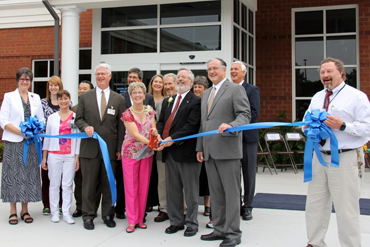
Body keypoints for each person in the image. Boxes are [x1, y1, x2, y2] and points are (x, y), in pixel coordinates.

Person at [304, 57, 370, 247]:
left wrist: (343, 126)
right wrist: (308, 129)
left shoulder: (356, 97)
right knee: (315, 205)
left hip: (345, 158)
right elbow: (305, 121)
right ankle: (315, 243)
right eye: (322, 72)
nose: (325, 75)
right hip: (318, 158)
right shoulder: (317, 97)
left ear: (341, 73)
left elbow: (367, 128)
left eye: (329, 71)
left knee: (346, 209)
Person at [196, 58, 250, 247]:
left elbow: (245, 115)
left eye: (215, 68)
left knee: (231, 194)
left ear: (224, 70)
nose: (211, 71)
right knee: (216, 194)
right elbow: (204, 124)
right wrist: (200, 147)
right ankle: (219, 229)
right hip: (210, 152)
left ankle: (233, 233)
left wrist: (232, 126)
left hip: (228, 151)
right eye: (209, 69)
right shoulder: (206, 94)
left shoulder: (235, 89)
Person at [75, 63, 126, 230]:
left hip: (110, 151)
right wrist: (85, 127)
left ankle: (108, 214)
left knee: (108, 184)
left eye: (103, 73)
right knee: (88, 185)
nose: (100, 76)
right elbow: (78, 119)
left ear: (110, 76)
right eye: (98, 74)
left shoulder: (119, 99)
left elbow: (121, 126)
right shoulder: (85, 97)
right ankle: (88, 215)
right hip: (89, 149)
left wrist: (119, 149)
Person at [157, 68, 201, 237]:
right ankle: (176, 221)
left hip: (187, 152)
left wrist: (172, 139)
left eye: (184, 77)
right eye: (179, 77)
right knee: (173, 190)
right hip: (169, 153)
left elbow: (191, 126)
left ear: (191, 82)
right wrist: (161, 136)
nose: (180, 79)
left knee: (190, 191)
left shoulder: (195, 101)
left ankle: (191, 223)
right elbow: (162, 121)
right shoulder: (169, 100)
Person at [0, 67, 45, 225]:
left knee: (27, 175)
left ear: (30, 82)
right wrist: (21, 133)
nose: (25, 82)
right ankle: (13, 210)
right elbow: (3, 121)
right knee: (13, 176)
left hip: (31, 143)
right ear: (17, 80)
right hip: (14, 142)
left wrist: (36, 128)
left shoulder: (35, 97)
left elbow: (41, 118)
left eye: (28, 79)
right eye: (22, 79)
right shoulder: (9, 97)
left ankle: (25, 210)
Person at [117, 67, 156, 220]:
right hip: (131, 154)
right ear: (131, 95)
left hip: (147, 153)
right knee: (131, 188)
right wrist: (152, 142)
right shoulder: (127, 114)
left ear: (144, 94)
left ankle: (140, 219)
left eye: (140, 92)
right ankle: (132, 220)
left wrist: (156, 136)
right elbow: (135, 134)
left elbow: (153, 129)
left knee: (143, 187)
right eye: (135, 93)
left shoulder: (149, 110)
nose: (138, 95)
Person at [41, 90, 80, 224]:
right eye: (60, 99)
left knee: (67, 185)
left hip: (69, 155)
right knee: (54, 184)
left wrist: (77, 157)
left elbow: (78, 139)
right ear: (57, 101)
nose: (63, 101)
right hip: (54, 155)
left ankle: (66, 212)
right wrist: (44, 157)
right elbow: (47, 138)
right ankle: (55, 212)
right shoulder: (52, 118)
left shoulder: (75, 117)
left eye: (66, 98)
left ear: (70, 99)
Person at [230, 61, 260, 221]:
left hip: (247, 138)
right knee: (233, 174)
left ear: (244, 73)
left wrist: (234, 124)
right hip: (230, 139)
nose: (233, 72)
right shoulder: (227, 90)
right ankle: (235, 203)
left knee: (248, 174)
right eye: (231, 69)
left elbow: (254, 113)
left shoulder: (252, 90)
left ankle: (248, 206)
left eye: (236, 69)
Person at [41, 76, 71, 215]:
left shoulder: (69, 108)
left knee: (65, 181)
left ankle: (62, 207)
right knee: (49, 179)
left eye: (56, 85)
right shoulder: (42, 104)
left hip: (67, 150)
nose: (53, 88)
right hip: (50, 148)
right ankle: (48, 205)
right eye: (51, 85)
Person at [153, 73, 178, 222]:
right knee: (162, 180)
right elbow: (158, 122)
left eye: (170, 84)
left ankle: (181, 209)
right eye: (166, 84)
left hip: (178, 146)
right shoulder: (160, 103)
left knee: (178, 181)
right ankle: (164, 209)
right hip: (162, 147)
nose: (168, 87)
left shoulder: (185, 101)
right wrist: (160, 138)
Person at [71, 80, 95, 218]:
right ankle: (79, 206)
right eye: (79, 88)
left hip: (91, 148)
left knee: (91, 181)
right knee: (79, 180)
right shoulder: (73, 109)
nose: (81, 91)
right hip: (76, 149)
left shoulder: (94, 107)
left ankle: (91, 207)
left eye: (84, 88)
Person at [193, 76, 211, 218]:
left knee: (206, 178)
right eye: (196, 86)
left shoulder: (208, 102)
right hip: (191, 144)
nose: (197, 89)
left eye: (200, 87)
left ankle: (208, 206)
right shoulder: (191, 102)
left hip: (205, 143)